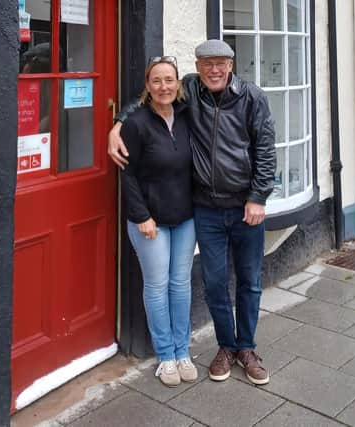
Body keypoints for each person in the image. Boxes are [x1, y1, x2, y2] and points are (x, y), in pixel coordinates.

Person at [109, 40, 276, 385]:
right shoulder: (191, 93)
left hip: (247, 207)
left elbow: (265, 151)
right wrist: (117, 124)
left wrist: (259, 196)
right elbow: (152, 97)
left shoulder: (253, 98)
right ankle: (225, 347)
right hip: (208, 210)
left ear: (232, 65)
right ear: (197, 68)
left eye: (220, 63)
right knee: (214, 284)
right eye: (206, 64)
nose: (214, 70)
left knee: (249, 282)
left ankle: (246, 348)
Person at [120, 56, 198, 387]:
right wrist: (141, 216)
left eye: (169, 80)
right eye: (157, 81)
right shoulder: (136, 122)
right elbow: (127, 173)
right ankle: (165, 356)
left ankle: (183, 350)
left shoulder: (186, 115)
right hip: (150, 220)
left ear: (178, 84)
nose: (163, 87)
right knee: (157, 285)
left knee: (181, 284)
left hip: (185, 217)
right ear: (147, 87)